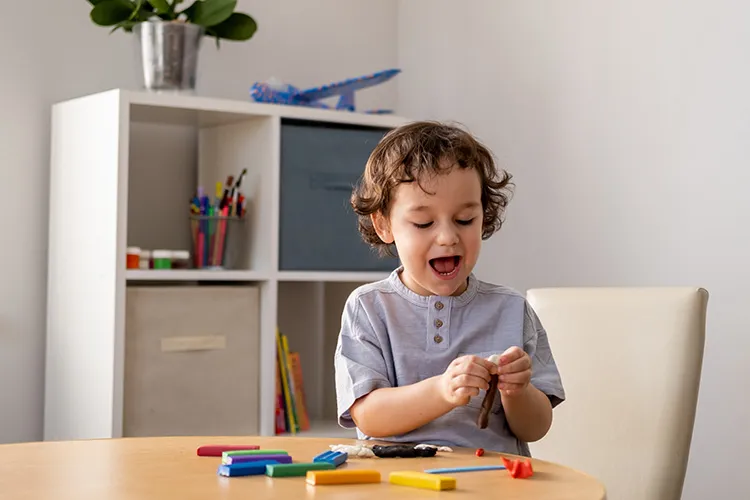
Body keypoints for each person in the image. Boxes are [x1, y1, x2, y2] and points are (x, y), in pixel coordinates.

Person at [333, 121, 565, 455]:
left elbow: (535, 428)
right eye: (424, 223)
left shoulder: (512, 310)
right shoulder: (369, 308)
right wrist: (442, 390)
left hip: (491, 482)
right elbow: (368, 416)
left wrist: (519, 391)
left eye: (464, 219)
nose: (447, 237)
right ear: (384, 224)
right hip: (399, 483)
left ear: (483, 217)